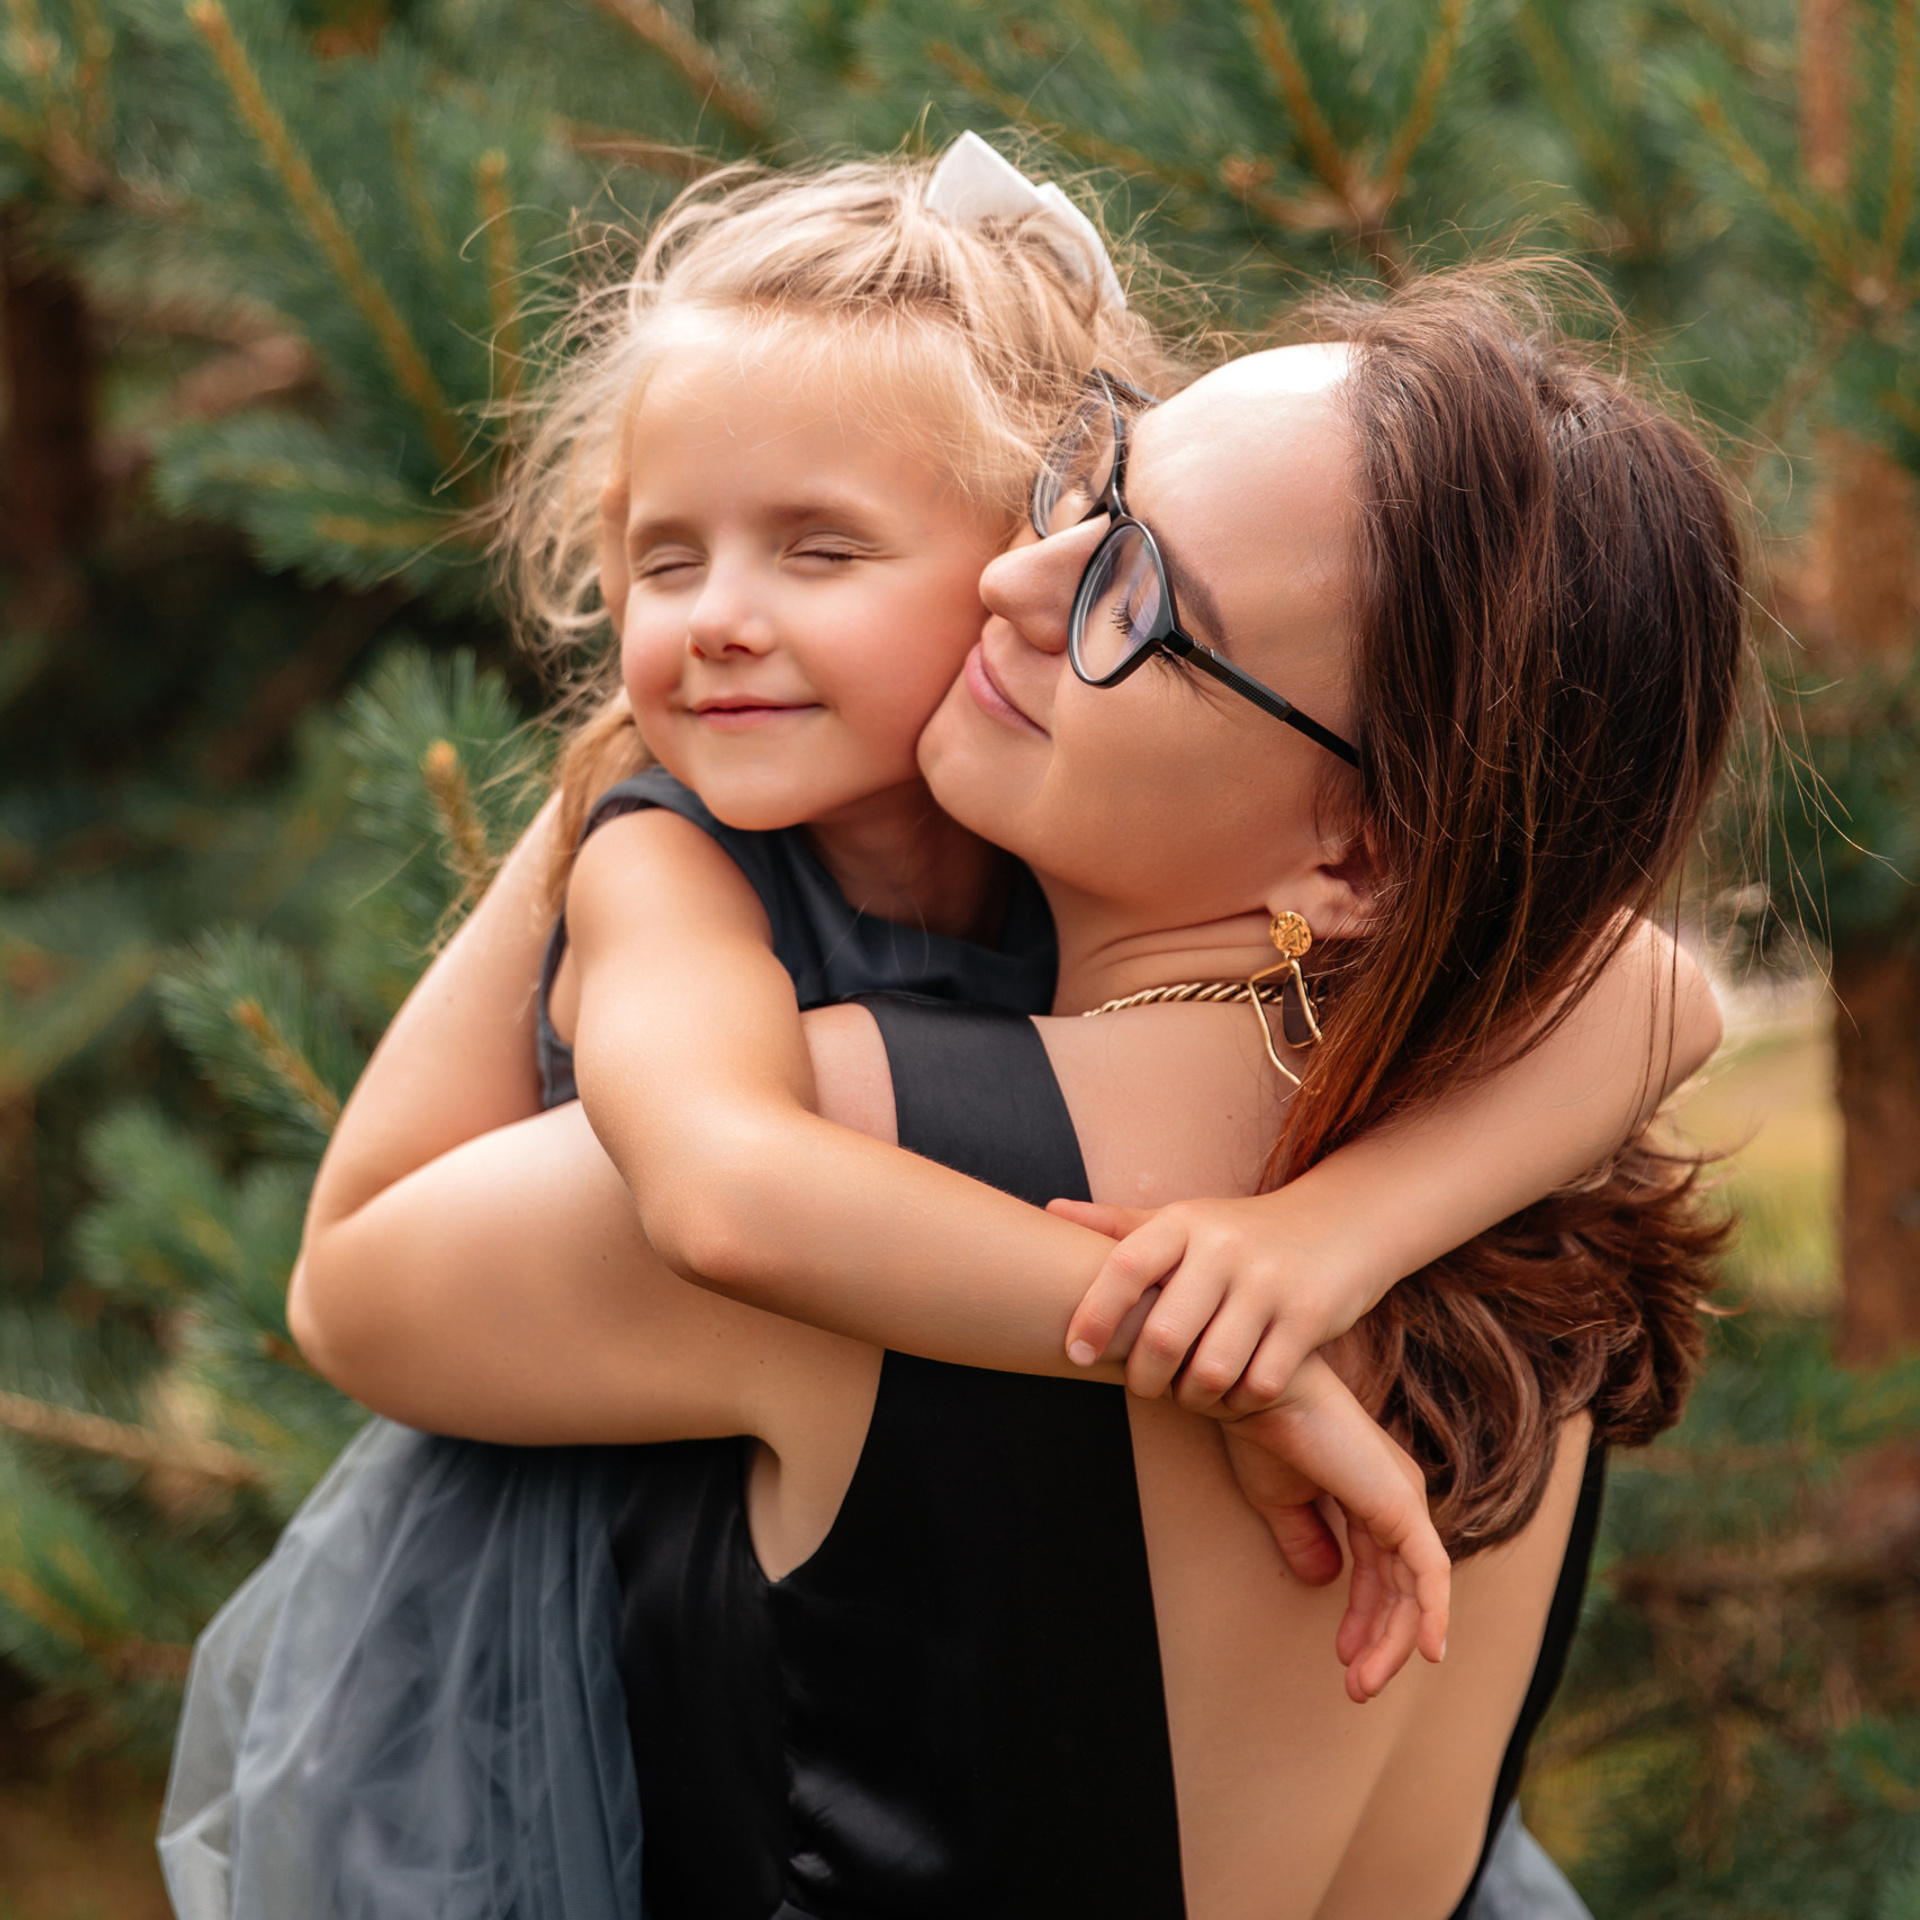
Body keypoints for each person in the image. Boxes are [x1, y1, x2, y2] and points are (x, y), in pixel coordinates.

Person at [162, 146, 1721, 1919]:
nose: (1013, 582)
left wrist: (623, 785)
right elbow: (1656, 980)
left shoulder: (864, 1139)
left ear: (1363, 846)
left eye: (1136, 595)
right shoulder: (1540, 1163)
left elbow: (353, 1284)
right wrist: (1311, 1254)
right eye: (1082, 490)